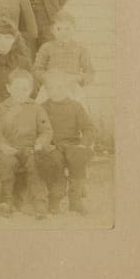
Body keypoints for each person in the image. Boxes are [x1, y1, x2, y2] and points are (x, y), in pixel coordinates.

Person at [0, 68, 55, 219]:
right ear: (8, 88)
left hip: (30, 148)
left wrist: (40, 143)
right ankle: (7, 200)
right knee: (5, 163)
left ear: (31, 90)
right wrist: (3, 146)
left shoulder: (36, 108)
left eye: (25, 89)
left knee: (36, 163)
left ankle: (40, 203)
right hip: (9, 148)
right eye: (17, 88)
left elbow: (46, 131)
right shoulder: (1, 108)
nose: (21, 92)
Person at [42, 69, 96, 214]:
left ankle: (76, 200)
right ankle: (54, 200)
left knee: (78, 158)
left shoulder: (75, 106)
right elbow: (38, 129)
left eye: (60, 87)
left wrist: (83, 143)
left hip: (73, 145)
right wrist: (45, 144)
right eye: (51, 88)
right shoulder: (43, 108)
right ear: (47, 90)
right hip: (53, 146)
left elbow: (89, 128)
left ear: (67, 88)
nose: (56, 91)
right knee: (55, 162)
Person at [33, 10, 95, 108]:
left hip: (72, 87)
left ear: (74, 29)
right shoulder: (47, 47)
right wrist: (49, 78)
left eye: (67, 29)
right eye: (58, 29)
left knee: (80, 108)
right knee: (40, 109)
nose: (63, 32)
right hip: (50, 87)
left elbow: (90, 72)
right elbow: (37, 69)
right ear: (52, 30)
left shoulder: (80, 49)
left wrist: (76, 78)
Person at [0, 18, 33, 105]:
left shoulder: (24, 63)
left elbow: (31, 92)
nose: (2, 42)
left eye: (7, 38)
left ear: (14, 40)